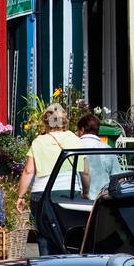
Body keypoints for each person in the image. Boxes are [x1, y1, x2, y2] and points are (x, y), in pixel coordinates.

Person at [15, 103, 80, 255]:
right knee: (69, 235)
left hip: (43, 194)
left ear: (46, 121)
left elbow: (28, 170)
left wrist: (20, 196)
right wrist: (85, 191)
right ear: (64, 121)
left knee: (45, 236)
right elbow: (85, 172)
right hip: (69, 192)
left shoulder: (39, 141)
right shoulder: (75, 139)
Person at [75, 113, 112, 200]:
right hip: (103, 199)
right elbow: (118, 177)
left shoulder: (75, 147)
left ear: (82, 130)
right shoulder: (108, 149)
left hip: (79, 199)